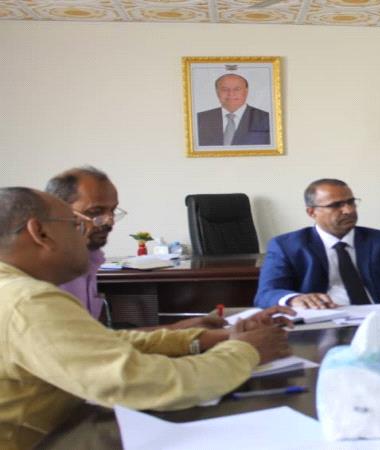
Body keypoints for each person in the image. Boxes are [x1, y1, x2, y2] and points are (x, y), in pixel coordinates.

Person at [0, 187, 293, 450]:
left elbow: (100, 344)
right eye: (76, 225)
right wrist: (246, 350)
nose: (87, 234)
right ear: (40, 233)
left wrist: (201, 339)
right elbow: (142, 383)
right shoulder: (27, 301)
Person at [46, 166, 221, 329]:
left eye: (112, 211)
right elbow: (86, 345)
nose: (109, 221)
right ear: (57, 212)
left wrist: (182, 329)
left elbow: (99, 338)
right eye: (95, 212)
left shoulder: (90, 257)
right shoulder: (49, 274)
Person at [254, 178, 380, 309]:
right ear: (312, 212)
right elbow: (267, 293)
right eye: (336, 205)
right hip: (320, 322)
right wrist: (294, 299)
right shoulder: (286, 246)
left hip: (379, 318)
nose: (348, 210)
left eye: (351, 202)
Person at [196, 73, 270, 146]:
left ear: (246, 91)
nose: (231, 93)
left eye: (237, 89)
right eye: (225, 89)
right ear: (217, 92)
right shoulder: (200, 119)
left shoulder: (267, 119)